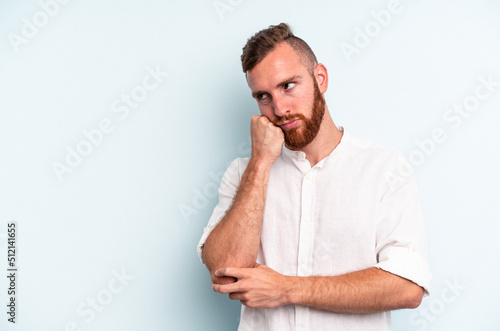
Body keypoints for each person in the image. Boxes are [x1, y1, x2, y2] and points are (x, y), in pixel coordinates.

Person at [197, 23, 431, 330]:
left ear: (320, 79)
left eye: (288, 86)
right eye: (263, 96)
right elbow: (226, 272)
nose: (278, 109)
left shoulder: (384, 168)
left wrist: (287, 289)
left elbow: (407, 286)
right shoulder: (244, 173)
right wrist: (261, 163)